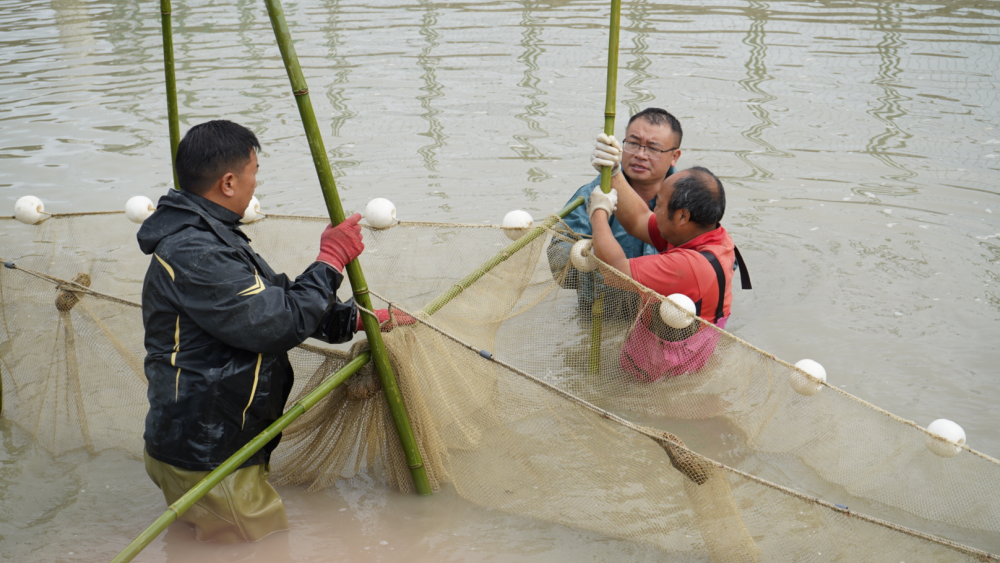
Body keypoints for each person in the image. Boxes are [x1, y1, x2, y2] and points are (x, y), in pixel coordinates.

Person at [137, 120, 409, 542]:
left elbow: (276, 302)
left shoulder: (210, 237)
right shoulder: (196, 251)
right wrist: (330, 260)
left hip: (203, 446)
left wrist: (356, 319)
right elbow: (277, 323)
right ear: (229, 182)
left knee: (203, 545)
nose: (255, 183)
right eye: (254, 172)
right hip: (210, 454)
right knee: (264, 546)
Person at [587, 151, 750, 381]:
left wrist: (598, 214)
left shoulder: (688, 267)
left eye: (659, 205)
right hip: (689, 360)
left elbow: (612, 271)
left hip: (659, 375)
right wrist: (615, 173)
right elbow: (639, 220)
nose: (654, 210)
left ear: (682, 217)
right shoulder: (709, 235)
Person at [548, 108, 684, 315]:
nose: (640, 155)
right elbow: (558, 265)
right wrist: (585, 256)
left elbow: (716, 257)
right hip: (602, 314)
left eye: (653, 148)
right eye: (633, 143)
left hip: (664, 318)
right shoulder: (593, 194)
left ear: (674, 156)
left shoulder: (688, 201)